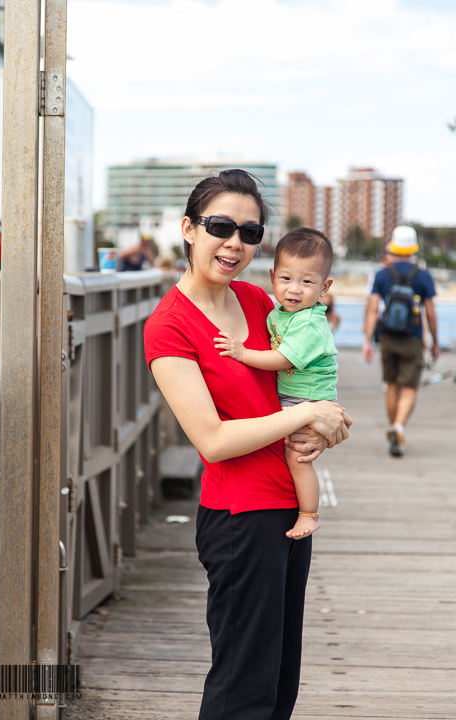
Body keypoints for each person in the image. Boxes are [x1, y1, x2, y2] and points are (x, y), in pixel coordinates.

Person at [144, 169, 351, 720]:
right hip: (240, 517)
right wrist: (305, 416)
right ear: (189, 229)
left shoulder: (260, 300)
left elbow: (304, 379)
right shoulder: (169, 326)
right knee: (243, 688)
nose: (234, 242)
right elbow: (212, 440)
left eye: (250, 232)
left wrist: (324, 422)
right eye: (219, 226)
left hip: (287, 505)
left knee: (281, 680)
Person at [214, 227, 337, 540]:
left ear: (325, 287)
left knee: (298, 458)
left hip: (307, 400)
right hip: (297, 397)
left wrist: (242, 353)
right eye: (286, 279)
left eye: (307, 282)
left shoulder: (310, 323)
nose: (294, 289)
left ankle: (310, 515)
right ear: (272, 277)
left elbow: (281, 359)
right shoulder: (281, 313)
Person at [362, 225, 439, 457]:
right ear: (414, 249)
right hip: (413, 339)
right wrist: (435, 342)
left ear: (392, 248)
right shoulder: (423, 275)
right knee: (409, 388)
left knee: (392, 385)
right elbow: (431, 313)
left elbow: (373, 307)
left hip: (387, 337)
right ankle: (398, 426)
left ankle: (393, 427)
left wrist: (367, 340)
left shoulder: (382, 274)